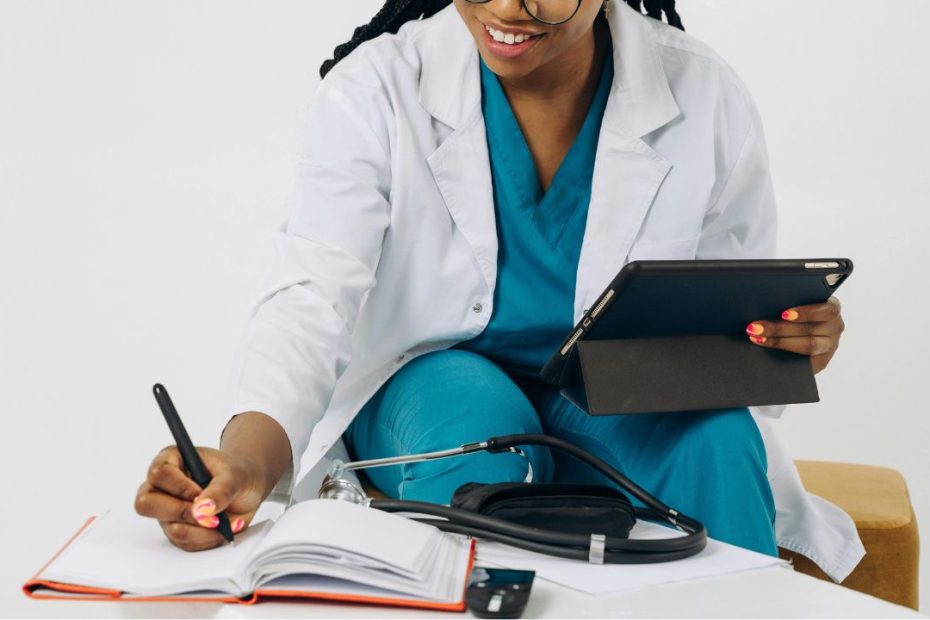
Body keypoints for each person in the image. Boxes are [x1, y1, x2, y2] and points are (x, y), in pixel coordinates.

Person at [134, 0, 864, 580]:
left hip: (609, 400)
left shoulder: (704, 93)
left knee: (719, 437)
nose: (507, 10)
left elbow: (726, 325)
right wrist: (250, 465)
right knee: (480, 424)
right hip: (430, 388)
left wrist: (785, 344)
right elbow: (310, 296)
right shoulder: (378, 87)